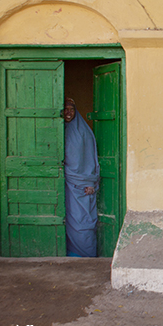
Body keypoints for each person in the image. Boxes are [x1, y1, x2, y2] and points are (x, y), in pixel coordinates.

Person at [63, 98, 100, 257]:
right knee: (69, 222)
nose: (68, 112)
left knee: (83, 223)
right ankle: (71, 255)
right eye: (65, 109)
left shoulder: (84, 133)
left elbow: (90, 159)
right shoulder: (60, 131)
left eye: (71, 109)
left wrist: (91, 182)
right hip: (68, 185)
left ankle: (88, 258)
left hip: (84, 187)